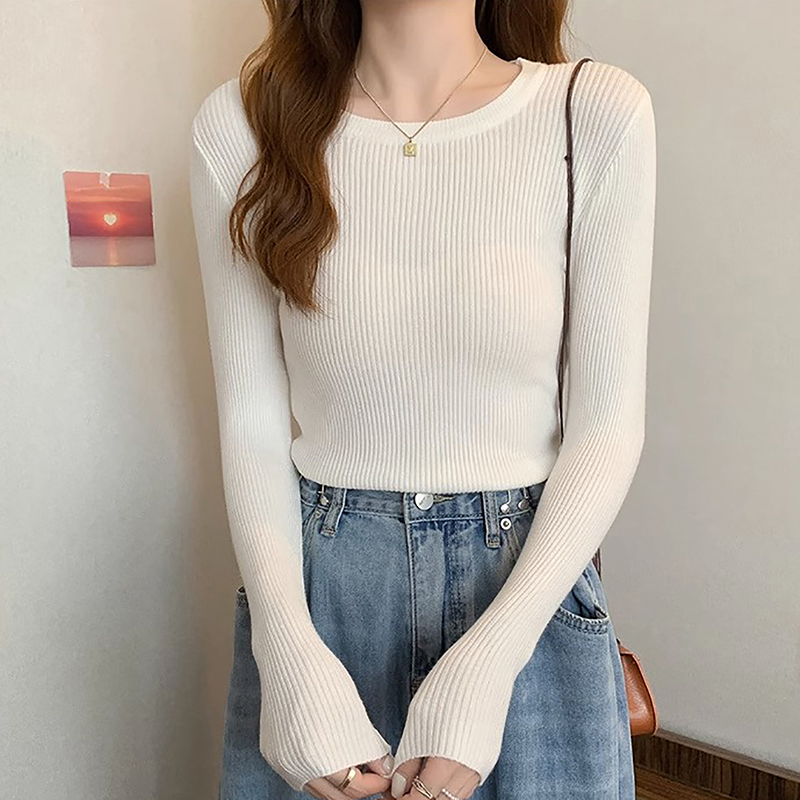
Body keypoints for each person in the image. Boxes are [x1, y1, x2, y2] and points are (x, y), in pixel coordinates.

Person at [189, 1, 657, 798]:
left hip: (526, 584)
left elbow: (606, 427)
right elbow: (249, 421)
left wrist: (492, 658)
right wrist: (285, 647)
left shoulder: (592, 111)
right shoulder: (242, 124)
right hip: (325, 591)